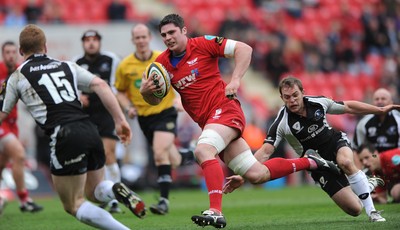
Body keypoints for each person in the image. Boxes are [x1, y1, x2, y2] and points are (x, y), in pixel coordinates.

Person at [140, 14, 340, 228]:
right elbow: (154, 99)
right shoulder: (161, 64)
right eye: (163, 35)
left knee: (203, 151)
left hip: (225, 110)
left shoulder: (203, 44)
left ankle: (216, 211)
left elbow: (244, 49)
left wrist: (235, 79)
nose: (168, 38)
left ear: (184, 31)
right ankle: (312, 162)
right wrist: (145, 93)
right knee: (256, 174)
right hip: (209, 122)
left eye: (172, 32)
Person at [0, 24, 146, 229]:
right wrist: (120, 120)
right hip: (89, 128)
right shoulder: (67, 65)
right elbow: (101, 85)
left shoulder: (17, 76)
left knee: (73, 204)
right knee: (95, 191)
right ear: (45, 47)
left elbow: (2, 113)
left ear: (21, 51)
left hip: (64, 134)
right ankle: (115, 189)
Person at [224, 76, 398, 222]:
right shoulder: (282, 122)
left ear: (302, 92)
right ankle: (361, 183)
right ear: (282, 98)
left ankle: (373, 212)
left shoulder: (318, 103)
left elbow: (348, 106)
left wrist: (379, 110)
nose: (292, 100)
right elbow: (266, 151)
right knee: (354, 209)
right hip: (317, 165)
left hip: (335, 144)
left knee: (345, 161)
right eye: (287, 97)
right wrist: (244, 174)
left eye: (295, 95)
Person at [115, 23, 194, 215]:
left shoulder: (162, 58)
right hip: (144, 118)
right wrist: (128, 108)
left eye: (144, 37)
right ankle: (193, 154)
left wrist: (178, 99)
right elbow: (119, 92)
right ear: (133, 41)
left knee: (159, 153)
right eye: (137, 37)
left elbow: (179, 78)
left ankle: (164, 201)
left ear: (150, 38)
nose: (141, 41)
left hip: (165, 112)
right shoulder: (125, 66)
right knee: (172, 159)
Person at [73, 30, 122, 213]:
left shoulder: (111, 59)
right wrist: (78, 98)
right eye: (87, 40)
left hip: (106, 113)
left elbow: (117, 84)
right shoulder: (76, 62)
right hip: (85, 115)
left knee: (108, 153)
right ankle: (106, 194)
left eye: (94, 40)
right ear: (83, 43)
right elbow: (72, 87)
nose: (91, 43)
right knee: (93, 158)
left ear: (100, 42)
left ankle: (116, 196)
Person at [0, 41, 43, 213]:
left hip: (12, 124)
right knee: (19, 154)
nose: (10, 55)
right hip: (1, 122)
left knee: (2, 164)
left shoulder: (21, 72)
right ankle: (25, 200)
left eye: (13, 52)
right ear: (3, 55)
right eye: (7, 52)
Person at [352, 88, 400, 153]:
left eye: (383, 99)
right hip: (373, 158)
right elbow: (356, 149)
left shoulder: (398, 120)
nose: (379, 101)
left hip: (394, 158)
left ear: (391, 102)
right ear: (372, 103)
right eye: (377, 99)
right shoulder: (363, 123)